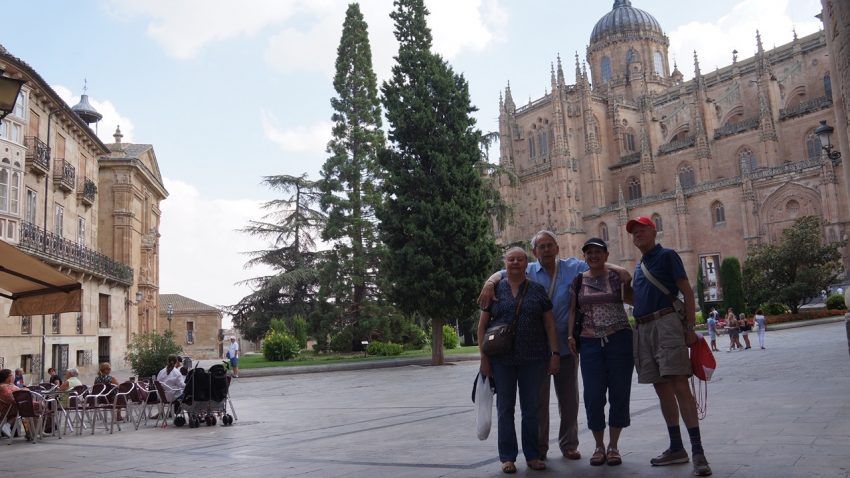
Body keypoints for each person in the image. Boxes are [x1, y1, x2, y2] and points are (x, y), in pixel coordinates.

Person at [479, 230, 618, 461]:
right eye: (541, 246)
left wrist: (620, 270)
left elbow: (597, 263)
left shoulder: (572, 267)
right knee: (537, 403)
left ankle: (569, 445)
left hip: (566, 346)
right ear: (534, 252)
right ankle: (539, 449)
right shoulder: (528, 270)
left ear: (557, 248)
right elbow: (503, 271)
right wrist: (489, 282)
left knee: (569, 400)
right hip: (534, 351)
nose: (545, 250)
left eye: (549, 245)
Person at [626, 216, 712, 476]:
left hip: (666, 324)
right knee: (661, 389)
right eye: (634, 232)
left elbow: (686, 292)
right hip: (643, 328)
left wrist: (689, 329)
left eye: (641, 230)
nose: (637, 235)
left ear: (653, 232)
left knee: (679, 385)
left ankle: (698, 452)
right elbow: (636, 296)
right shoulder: (641, 264)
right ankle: (677, 447)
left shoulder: (667, 256)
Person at [478, 247, 561, 474]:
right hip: (501, 360)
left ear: (527, 263)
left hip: (533, 358)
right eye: (511, 259)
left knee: (531, 409)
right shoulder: (495, 291)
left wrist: (555, 353)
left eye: (520, 259)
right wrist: (484, 358)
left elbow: (549, 325)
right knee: (505, 408)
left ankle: (533, 455)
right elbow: (482, 326)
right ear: (505, 263)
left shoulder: (537, 290)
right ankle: (507, 457)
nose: (515, 262)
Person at [567, 238, 634, 467]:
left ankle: (614, 445)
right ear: (584, 256)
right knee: (593, 395)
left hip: (619, 338)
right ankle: (598, 445)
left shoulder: (616, 277)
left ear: (606, 254)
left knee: (619, 391)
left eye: (598, 252)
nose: (593, 256)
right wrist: (569, 336)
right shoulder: (578, 280)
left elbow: (631, 298)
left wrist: (624, 273)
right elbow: (572, 311)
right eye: (589, 253)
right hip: (589, 342)